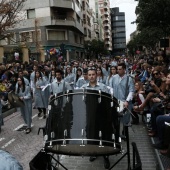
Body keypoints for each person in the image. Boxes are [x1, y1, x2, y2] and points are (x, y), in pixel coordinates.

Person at [81, 67, 111, 169]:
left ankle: (105, 156)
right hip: (89, 115)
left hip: (101, 115)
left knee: (103, 135)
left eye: (93, 74)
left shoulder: (103, 87)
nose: (91, 76)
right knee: (91, 134)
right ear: (87, 76)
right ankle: (93, 152)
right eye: (89, 75)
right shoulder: (84, 87)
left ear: (96, 75)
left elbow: (107, 101)